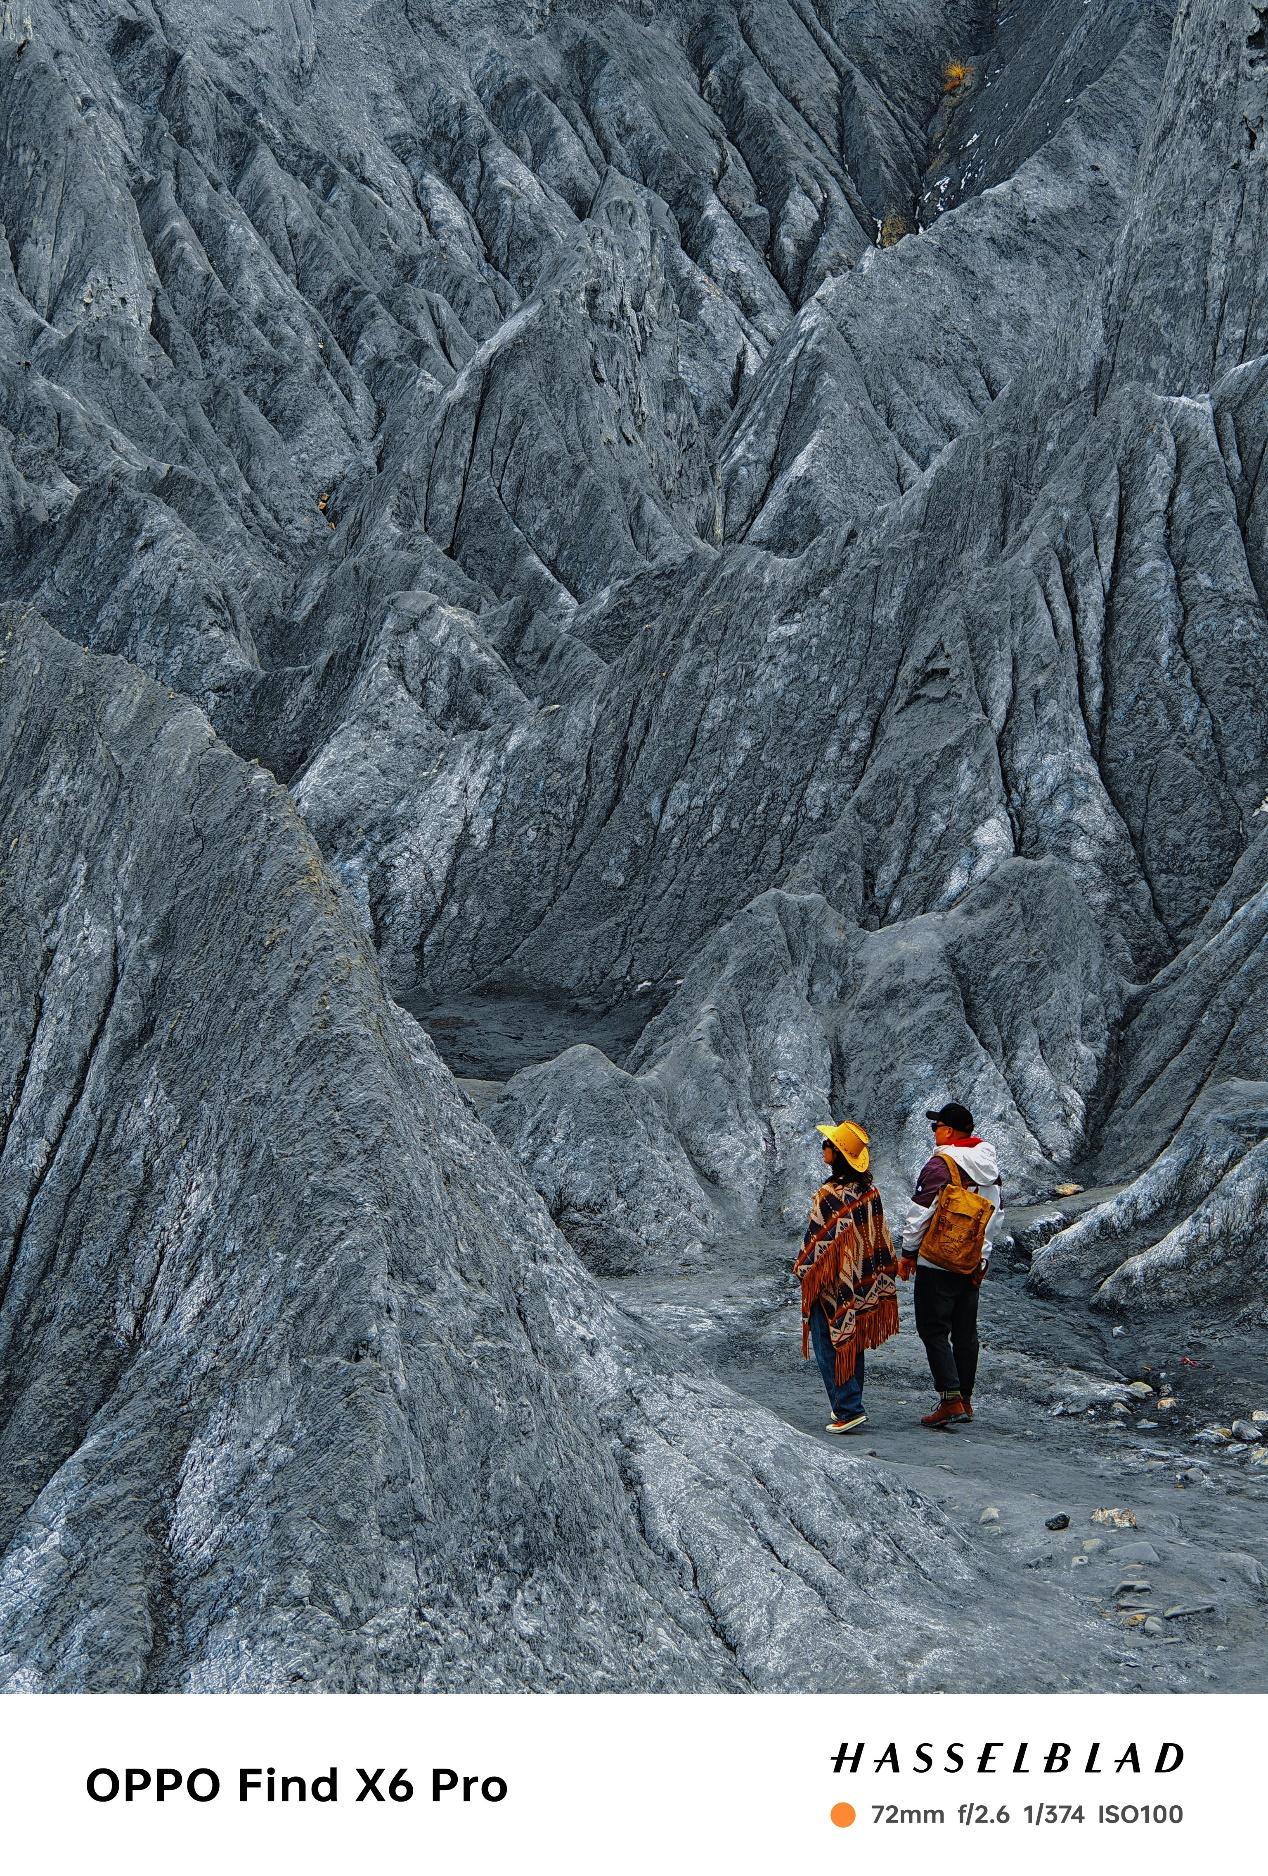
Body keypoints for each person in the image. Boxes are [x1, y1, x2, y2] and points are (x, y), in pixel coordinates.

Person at [897, 1101, 1002, 1429]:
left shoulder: (940, 1164)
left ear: (951, 1131)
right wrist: (981, 1257)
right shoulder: (991, 1166)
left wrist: (908, 1254)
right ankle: (966, 1400)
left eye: (936, 1127)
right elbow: (995, 1215)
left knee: (932, 1328)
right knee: (965, 1332)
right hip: (971, 1262)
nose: (934, 1133)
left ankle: (950, 1398)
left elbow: (919, 1214)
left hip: (937, 1260)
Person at [794, 1119, 899, 1434]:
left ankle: (848, 1407)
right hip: (860, 1280)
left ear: (837, 1153)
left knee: (829, 1342)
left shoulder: (829, 1195)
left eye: (827, 1144)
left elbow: (815, 1246)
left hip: (832, 1284)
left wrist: (805, 1269)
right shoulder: (870, 1192)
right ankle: (850, 1401)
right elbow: (879, 1238)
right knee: (851, 1339)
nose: (823, 1147)